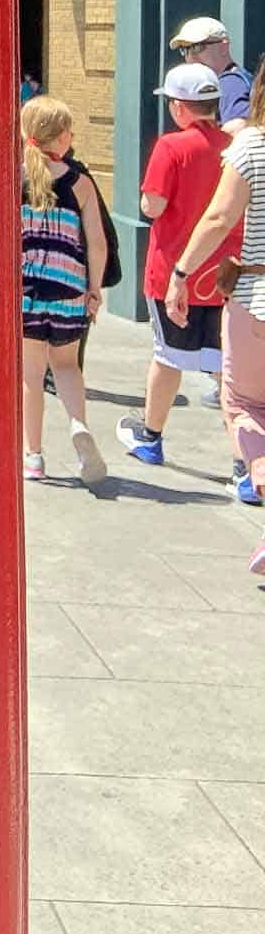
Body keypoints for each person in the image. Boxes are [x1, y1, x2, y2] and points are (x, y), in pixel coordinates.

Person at [166, 57, 265, 563]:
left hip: (255, 300)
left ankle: (262, 476)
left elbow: (220, 215)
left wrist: (180, 273)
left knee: (244, 403)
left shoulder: (249, 146)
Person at [117, 63, 239, 466]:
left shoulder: (170, 147)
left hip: (174, 270)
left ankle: (151, 437)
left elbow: (153, 205)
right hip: (225, 273)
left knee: (168, 356)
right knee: (227, 369)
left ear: (179, 107)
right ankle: (244, 461)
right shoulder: (234, 147)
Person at [21, 96, 108, 484]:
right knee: (68, 366)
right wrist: (93, 289)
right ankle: (77, 424)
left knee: (31, 376)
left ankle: (34, 457)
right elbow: (97, 241)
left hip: (25, 292)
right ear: (61, 137)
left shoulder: (15, 175)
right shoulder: (82, 182)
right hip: (69, 289)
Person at [169, 17, 252, 132]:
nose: (190, 57)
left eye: (197, 47)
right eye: (185, 49)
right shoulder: (231, 80)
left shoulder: (231, 82)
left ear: (223, 47)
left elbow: (239, 125)